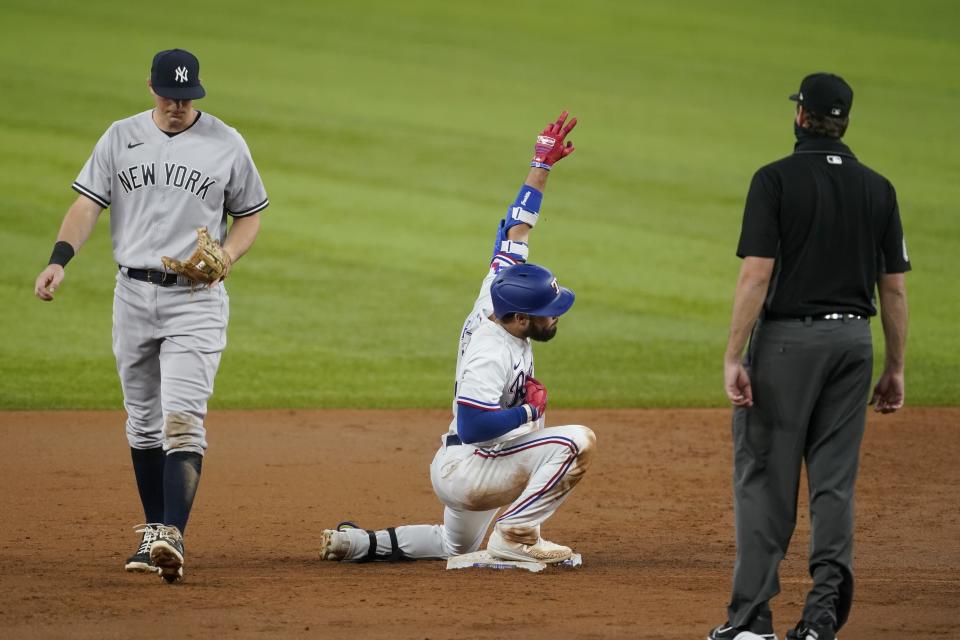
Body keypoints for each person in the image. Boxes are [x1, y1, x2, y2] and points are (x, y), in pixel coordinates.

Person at [317, 112, 596, 564]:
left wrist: (541, 164)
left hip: (473, 461)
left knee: (456, 546)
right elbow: (472, 423)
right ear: (522, 318)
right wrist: (528, 408)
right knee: (576, 441)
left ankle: (357, 543)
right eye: (548, 314)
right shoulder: (490, 350)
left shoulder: (499, 291)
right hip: (468, 467)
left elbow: (517, 226)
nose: (556, 317)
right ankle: (516, 539)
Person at [34, 49, 269, 583]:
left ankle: (171, 533)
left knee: (182, 419)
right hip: (132, 296)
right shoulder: (120, 137)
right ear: (150, 87)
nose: (177, 106)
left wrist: (227, 255)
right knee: (142, 422)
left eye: (186, 98)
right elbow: (86, 205)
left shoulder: (226, 143)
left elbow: (250, 214)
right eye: (168, 95)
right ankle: (154, 530)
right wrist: (58, 261)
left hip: (195, 300)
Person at [708, 73, 910, 640]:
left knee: (763, 479)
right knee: (834, 486)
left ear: (801, 116)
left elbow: (757, 273)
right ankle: (822, 620)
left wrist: (733, 354)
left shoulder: (774, 180)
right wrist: (894, 366)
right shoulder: (879, 188)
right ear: (844, 121)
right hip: (853, 347)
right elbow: (892, 288)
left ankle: (750, 622)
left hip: (788, 346)